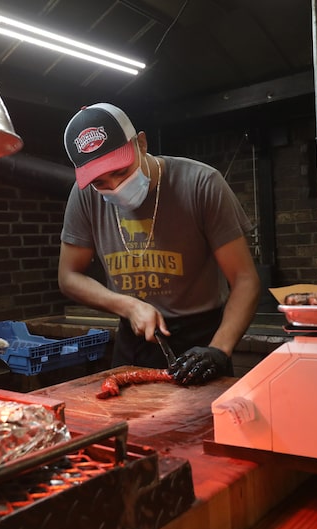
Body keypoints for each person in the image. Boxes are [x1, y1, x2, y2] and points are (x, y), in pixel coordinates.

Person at [59, 103, 261, 385]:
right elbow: (69, 276)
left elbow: (245, 279)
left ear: (141, 143)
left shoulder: (202, 184)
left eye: (121, 171)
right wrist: (127, 307)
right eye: (101, 182)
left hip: (201, 338)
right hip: (135, 337)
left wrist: (218, 349)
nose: (115, 187)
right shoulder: (83, 196)